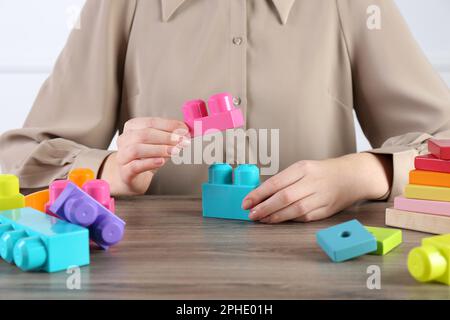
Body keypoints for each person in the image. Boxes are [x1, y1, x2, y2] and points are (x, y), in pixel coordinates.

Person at [1, 0, 449, 224]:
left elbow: (443, 143)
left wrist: (367, 174)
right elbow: (16, 159)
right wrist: (109, 169)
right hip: (150, 280)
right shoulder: (122, 5)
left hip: (320, 276)